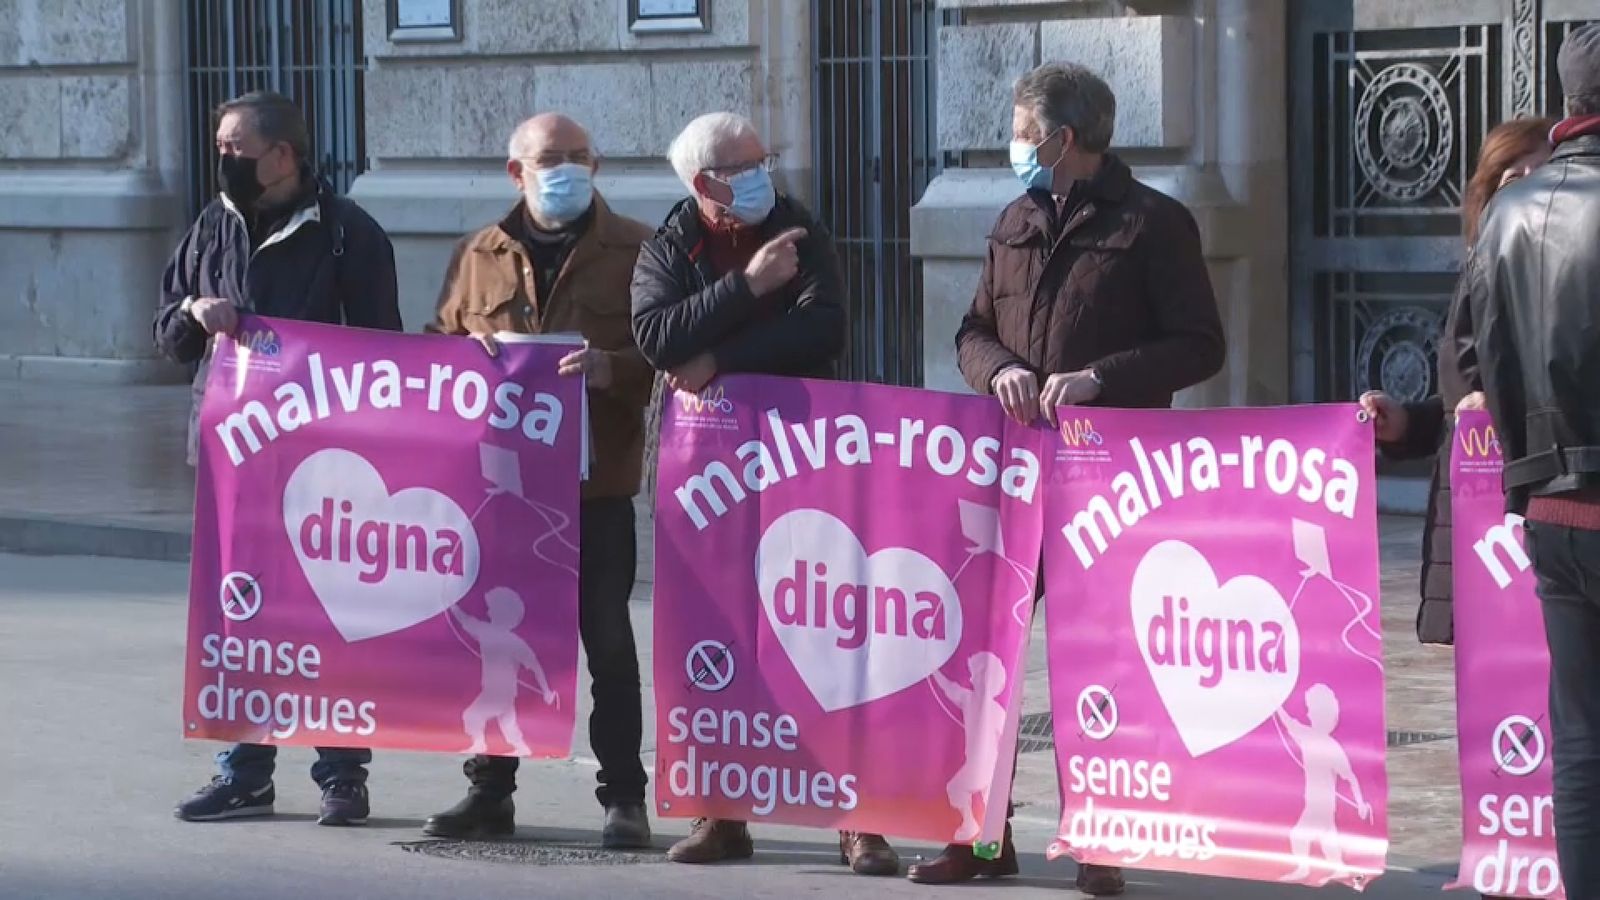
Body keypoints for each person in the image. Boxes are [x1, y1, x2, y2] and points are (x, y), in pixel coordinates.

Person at [933, 62, 1226, 896]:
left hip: (1109, 481)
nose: (1014, 147)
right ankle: (976, 837)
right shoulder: (1014, 218)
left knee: (1096, 661)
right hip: (1012, 474)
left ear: (1063, 140)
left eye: (1023, 133)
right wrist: (996, 372)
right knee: (982, 655)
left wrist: (1103, 377)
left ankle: (1100, 834)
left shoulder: (1155, 223)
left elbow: (1201, 345)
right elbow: (971, 329)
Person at [630, 111, 898, 877]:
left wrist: (718, 355)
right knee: (719, 637)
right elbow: (655, 336)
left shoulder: (800, 231)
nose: (764, 172)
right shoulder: (669, 243)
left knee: (827, 629)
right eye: (747, 163)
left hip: (806, 458)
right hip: (707, 472)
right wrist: (747, 287)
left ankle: (858, 818)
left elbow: (824, 330)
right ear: (706, 184)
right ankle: (724, 810)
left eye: (764, 159)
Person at [155, 91, 401, 826]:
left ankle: (342, 773)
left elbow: (383, 350)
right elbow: (165, 329)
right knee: (240, 615)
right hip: (232, 459)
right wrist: (194, 314)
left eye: (236, 149)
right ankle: (244, 770)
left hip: (326, 461)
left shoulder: (348, 234)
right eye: (220, 147)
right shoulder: (211, 225)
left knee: (328, 615)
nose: (223, 161)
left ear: (284, 156)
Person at [422, 113, 656, 849]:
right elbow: (433, 355)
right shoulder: (477, 253)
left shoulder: (640, 250)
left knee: (608, 641)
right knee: (497, 643)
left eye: (579, 157)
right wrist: (468, 355)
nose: (566, 169)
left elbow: (669, 357)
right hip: (505, 490)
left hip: (596, 489)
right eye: (549, 158)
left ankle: (624, 797)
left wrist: (609, 366)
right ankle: (489, 793)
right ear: (514, 172)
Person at [1469, 24, 1600, 899]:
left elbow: (1493, 358)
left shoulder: (1512, 209)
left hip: (1552, 504)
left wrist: (1527, 471)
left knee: (1584, 745)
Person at [1361, 118, 1553, 648]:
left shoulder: (1571, 273)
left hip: (1539, 515)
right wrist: (1406, 423)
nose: (1527, 195)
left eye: (1542, 177)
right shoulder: (1477, 267)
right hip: (1471, 526)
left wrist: (1506, 403)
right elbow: (1463, 405)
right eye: (1511, 181)